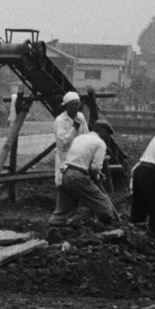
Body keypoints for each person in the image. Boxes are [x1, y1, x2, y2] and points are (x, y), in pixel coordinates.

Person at [47, 120, 120, 235]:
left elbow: (80, 159)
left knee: (64, 209)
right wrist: (96, 177)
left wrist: (95, 174)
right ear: (102, 131)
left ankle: (54, 227)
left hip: (65, 174)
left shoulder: (79, 138)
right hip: (78, 176)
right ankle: (109, 230)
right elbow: (95, 168)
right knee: (104, 204)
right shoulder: (100, 143)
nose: (108, 137)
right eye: (107, 133)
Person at [50, 91, 90, 227]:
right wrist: (74, 128)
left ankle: (71, 218)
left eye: (77, 104)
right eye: (72, 105)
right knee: (64, 188)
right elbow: (62, 143)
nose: (76, 108)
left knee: (77, 186)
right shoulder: (60, 121)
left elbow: (86, 134)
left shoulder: (81, 116)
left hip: (78, 157)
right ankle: (58, 219)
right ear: (66, 106)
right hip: (65, 159)